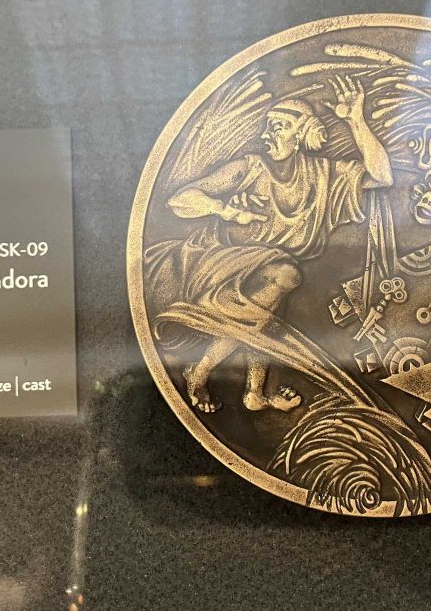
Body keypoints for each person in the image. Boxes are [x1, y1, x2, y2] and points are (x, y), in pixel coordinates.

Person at [148, 76, 393, 413]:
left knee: (268, 294)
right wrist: (226, 209)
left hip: (262, 270)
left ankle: (251, 390)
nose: (267, 134)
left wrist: (356, 120)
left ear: (303, 133)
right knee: (285, 275)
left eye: (278, 127)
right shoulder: (249, 168)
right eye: (268, 126)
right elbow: (179, 201)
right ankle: (206, 372)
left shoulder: (323, 176)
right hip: (213, 263)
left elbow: (382, 177)